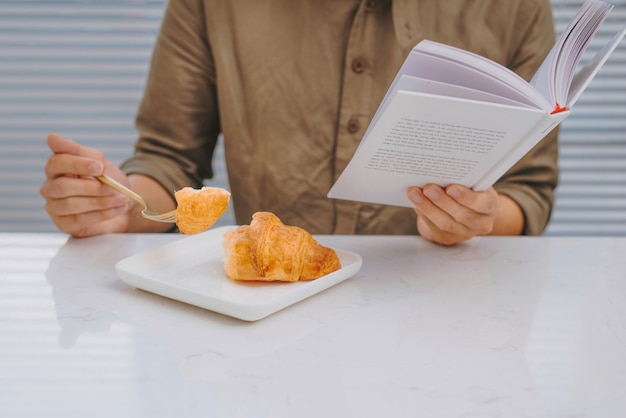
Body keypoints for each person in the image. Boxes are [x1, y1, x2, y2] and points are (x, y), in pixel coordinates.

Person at [41, 0, 559, 246]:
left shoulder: (515, 7)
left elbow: (528, 192)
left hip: (451, 308)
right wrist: (121, 200)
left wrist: (478, 217)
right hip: (266, 313)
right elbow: (170, 159)